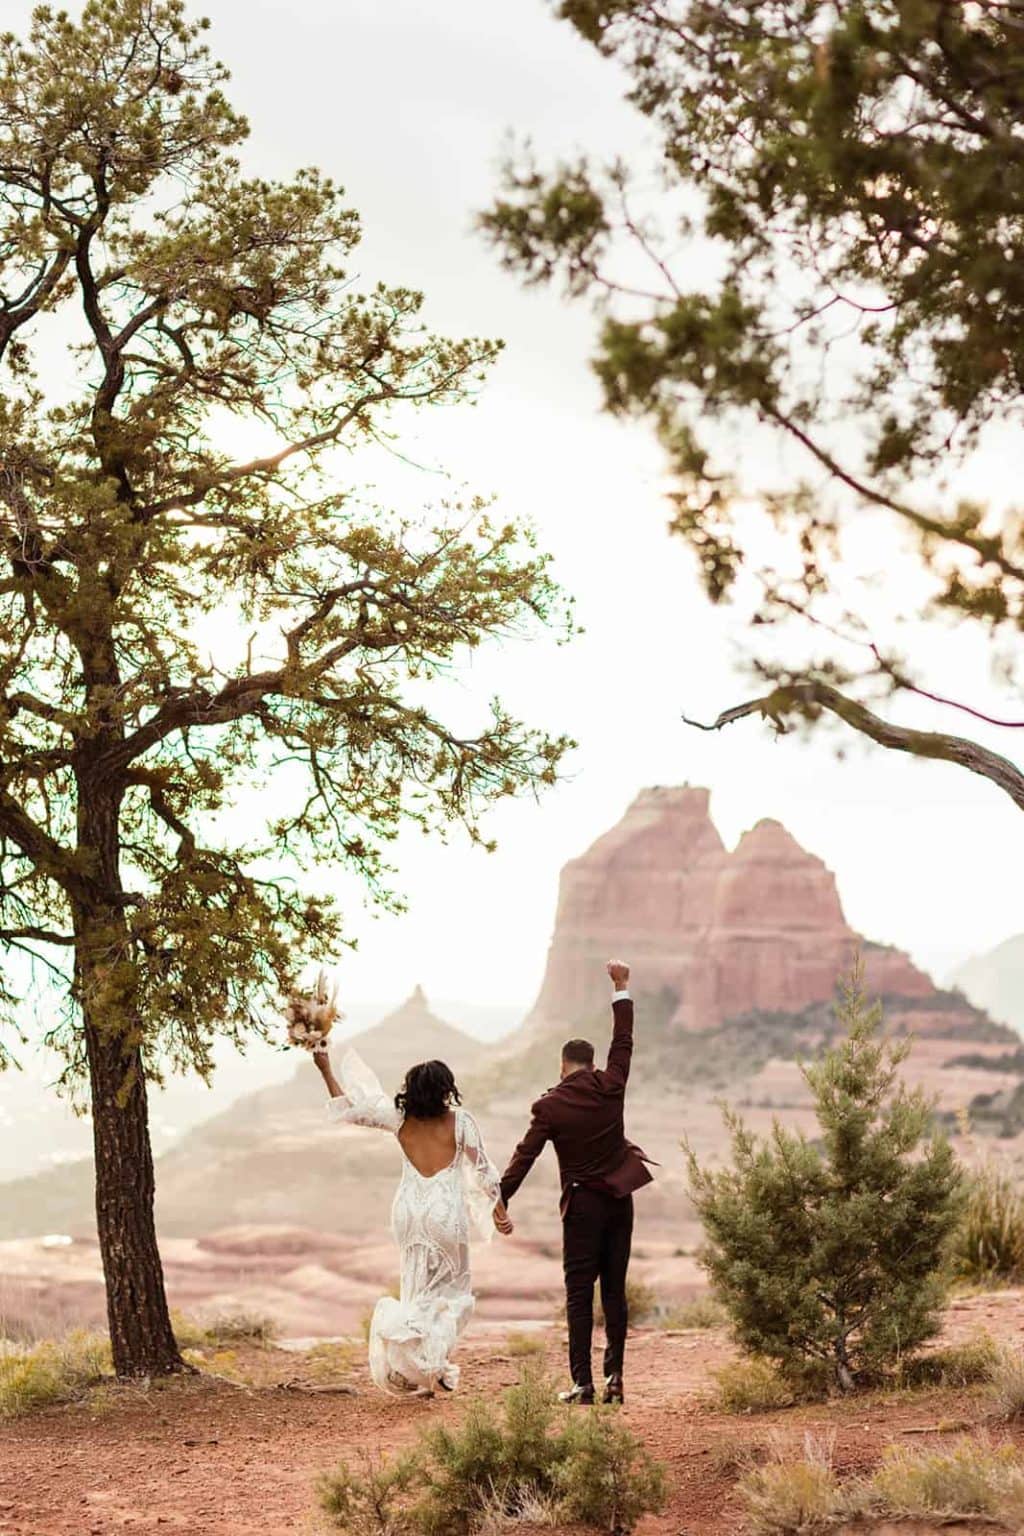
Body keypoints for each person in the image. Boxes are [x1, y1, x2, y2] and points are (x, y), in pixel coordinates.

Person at [313, 1045, 512, 1395]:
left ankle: (421, 1370)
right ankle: (432, 1366)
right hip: (445, 1214)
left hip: (407, 1213)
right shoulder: (461, 1121)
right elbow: (483, 1169)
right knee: (452, 1297)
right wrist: (500, 1210)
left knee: (415, 1293)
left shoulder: (398, 1119)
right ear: (446, 1090)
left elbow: (349, 1111)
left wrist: (325, 1068)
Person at [498, 959, 652, 1406]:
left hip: (582, 1209)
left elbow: (524, 1156)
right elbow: (623, 1041)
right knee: (615, 1292)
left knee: (579, 1295)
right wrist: (620, 986)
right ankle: (616, 1380)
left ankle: (583, 1384)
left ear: (563, 1065)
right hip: (620, 1201)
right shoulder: (612, 1085)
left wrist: (500, 1199)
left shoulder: (550, 1106)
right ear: (591, 1063)